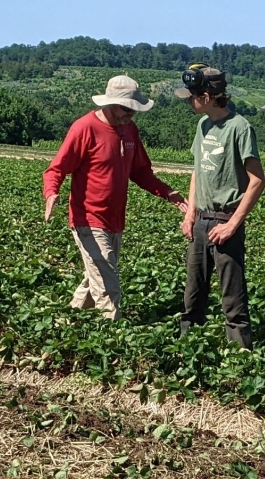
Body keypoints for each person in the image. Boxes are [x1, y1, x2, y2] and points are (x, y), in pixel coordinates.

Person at [43, 75, 187, 320]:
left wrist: (168, 192)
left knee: (96, 276)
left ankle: (66, 325)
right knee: (108, 283)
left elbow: (140, 171)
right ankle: (113, 336)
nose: (130, 113)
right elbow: (56, 168)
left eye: (134, 109)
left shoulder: (129, 129)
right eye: (125, 108)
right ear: (109, 103)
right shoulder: (84, 128)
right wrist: (51, 192)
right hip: (87, 218)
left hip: (115, 219)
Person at [174, 65, 265, 349]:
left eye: (191, 96)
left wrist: (232, 224)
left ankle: (240, 360)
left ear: (206, 96)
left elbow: (257, 181)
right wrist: (190, 214)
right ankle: (188, 351)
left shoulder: (239, 128)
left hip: (225, 221)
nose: (189, 100)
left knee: (233, 300)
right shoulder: (202, 126)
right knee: (192, 296)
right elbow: (197, 171)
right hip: (200, 221)